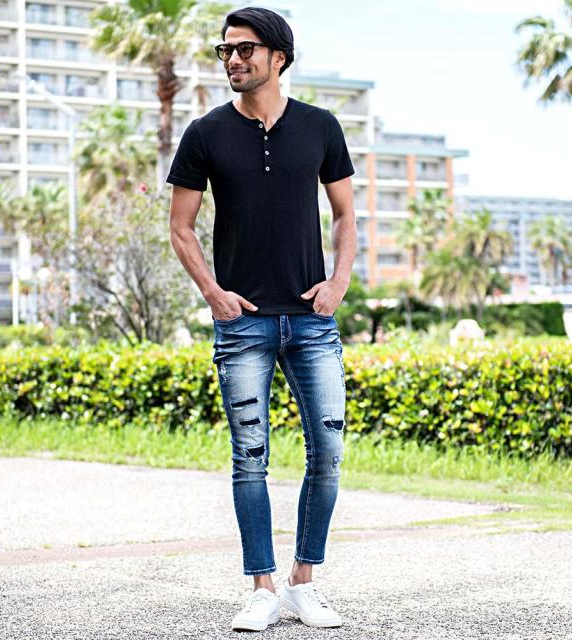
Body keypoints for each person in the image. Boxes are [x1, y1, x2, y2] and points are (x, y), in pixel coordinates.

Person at [166, 6, 356, 632]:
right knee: (250, 458)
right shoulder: (205, 133)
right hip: (242, 324)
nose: (233, 60)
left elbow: (346, 215)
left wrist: (339, 281)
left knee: (328, 453)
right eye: (225, 51)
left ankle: (303, 583)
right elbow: (181, 228)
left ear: (279, 57)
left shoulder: (321, 127)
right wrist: (213, 293)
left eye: (244, 49)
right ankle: (262, 589)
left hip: (312, 321)